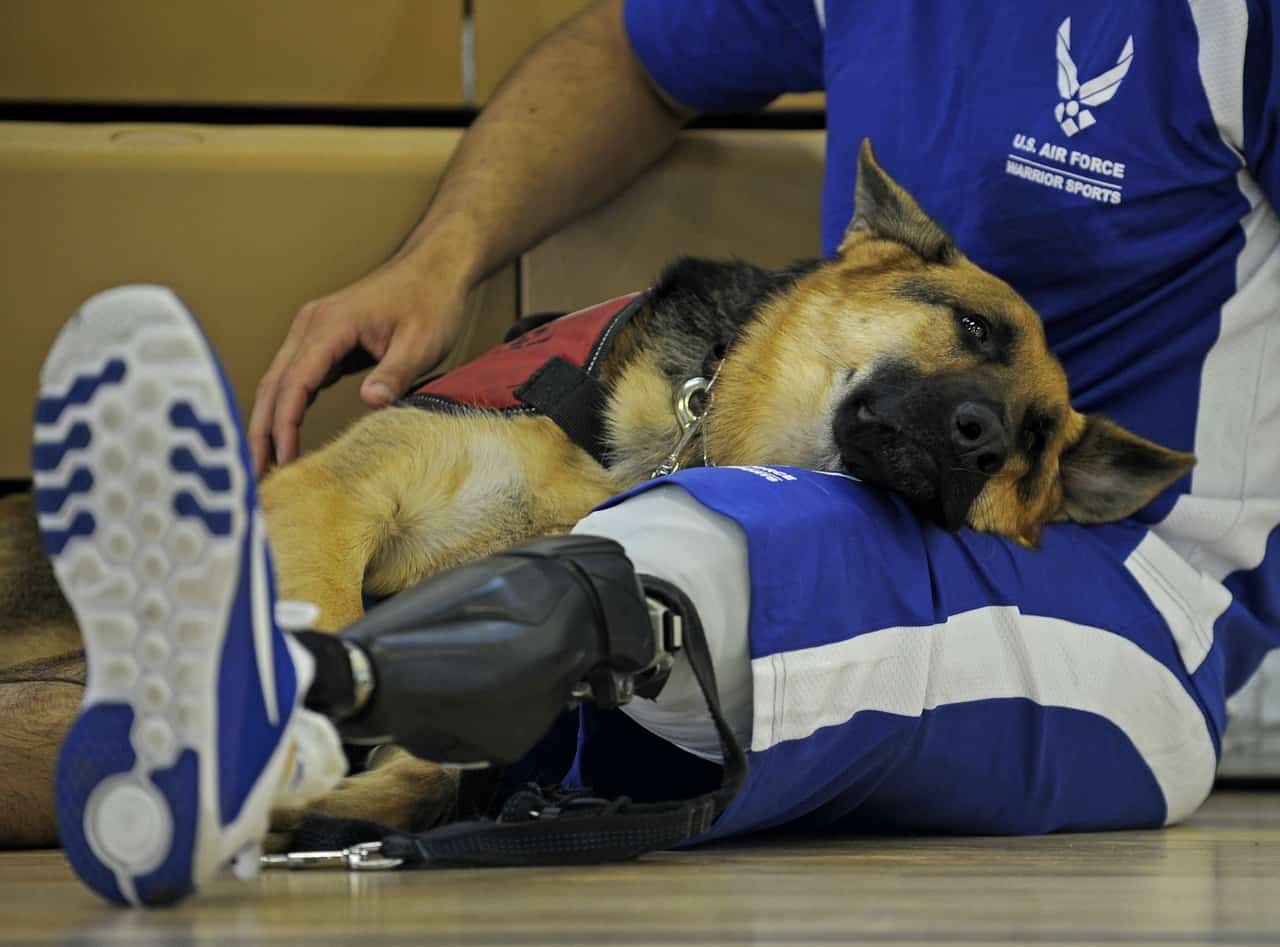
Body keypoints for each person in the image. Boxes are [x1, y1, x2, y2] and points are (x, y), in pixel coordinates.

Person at [5, 0, 1277, 907]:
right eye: (960, 341)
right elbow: (634, 49)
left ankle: (286, 703)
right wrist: (435, 260)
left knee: (713, 555)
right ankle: (246, 724)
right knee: (661, 527)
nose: (976, 405)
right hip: (805, 492)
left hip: (1121, 584)